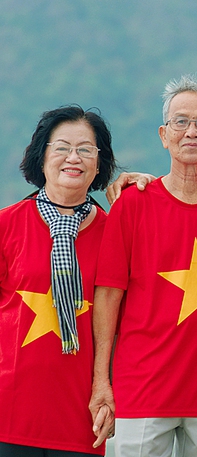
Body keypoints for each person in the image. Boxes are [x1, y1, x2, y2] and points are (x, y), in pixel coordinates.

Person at [89, 74, 197, 457]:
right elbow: (107, 296)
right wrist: (102, 381)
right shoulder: (133, 204)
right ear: (164, 134)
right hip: (143, 388)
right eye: (180, 122)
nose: (192, 131)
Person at [0, 105, 116, 456]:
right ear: (41, 155)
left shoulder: (116, 233)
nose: (73, 158)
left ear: (99, 162)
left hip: (81, 416)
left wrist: (107, 388)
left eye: (85, 149)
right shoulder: (7, 224)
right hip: (8, 410)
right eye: (62, 147)